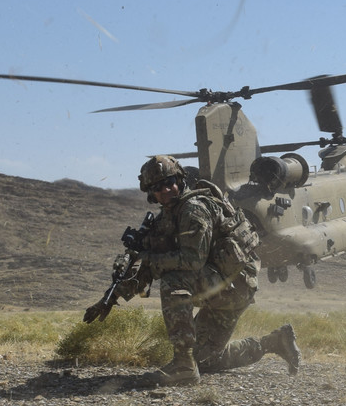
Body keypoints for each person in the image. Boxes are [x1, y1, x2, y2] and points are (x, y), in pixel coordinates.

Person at [85, 155, 300, 385]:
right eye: (158, 187)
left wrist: (147, 257)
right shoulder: (168, 215)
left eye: (170, 182)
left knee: (173, 278)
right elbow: (146, 267)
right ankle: (275, 342)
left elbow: (191, 261)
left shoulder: (193, 209)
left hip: (233, 287)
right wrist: (111, 297)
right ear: (150, 193)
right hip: (226, 285)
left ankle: (182, 366)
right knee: (206, 360)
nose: (166, 189)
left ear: (179, 180)